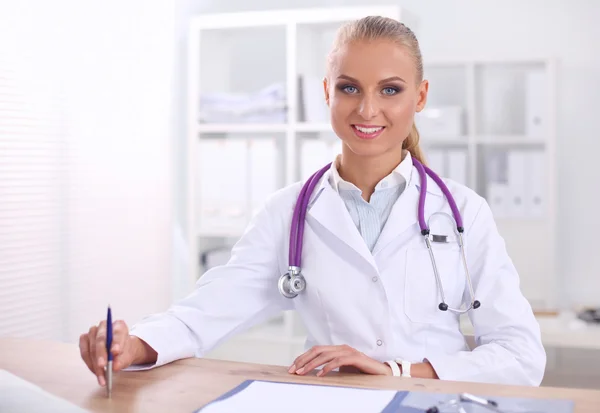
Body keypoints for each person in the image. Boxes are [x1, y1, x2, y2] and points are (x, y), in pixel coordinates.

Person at [79, 16, 546, 386]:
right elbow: (208, 310)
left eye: (390, 89)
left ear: (420, 96)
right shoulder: (289, 212)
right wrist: (134, 344)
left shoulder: (464, 212)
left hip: (430, 402)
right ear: (326, 92)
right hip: (331, 401)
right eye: (348, 88)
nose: (367, 109)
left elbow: (520, 355)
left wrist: (400, 371)